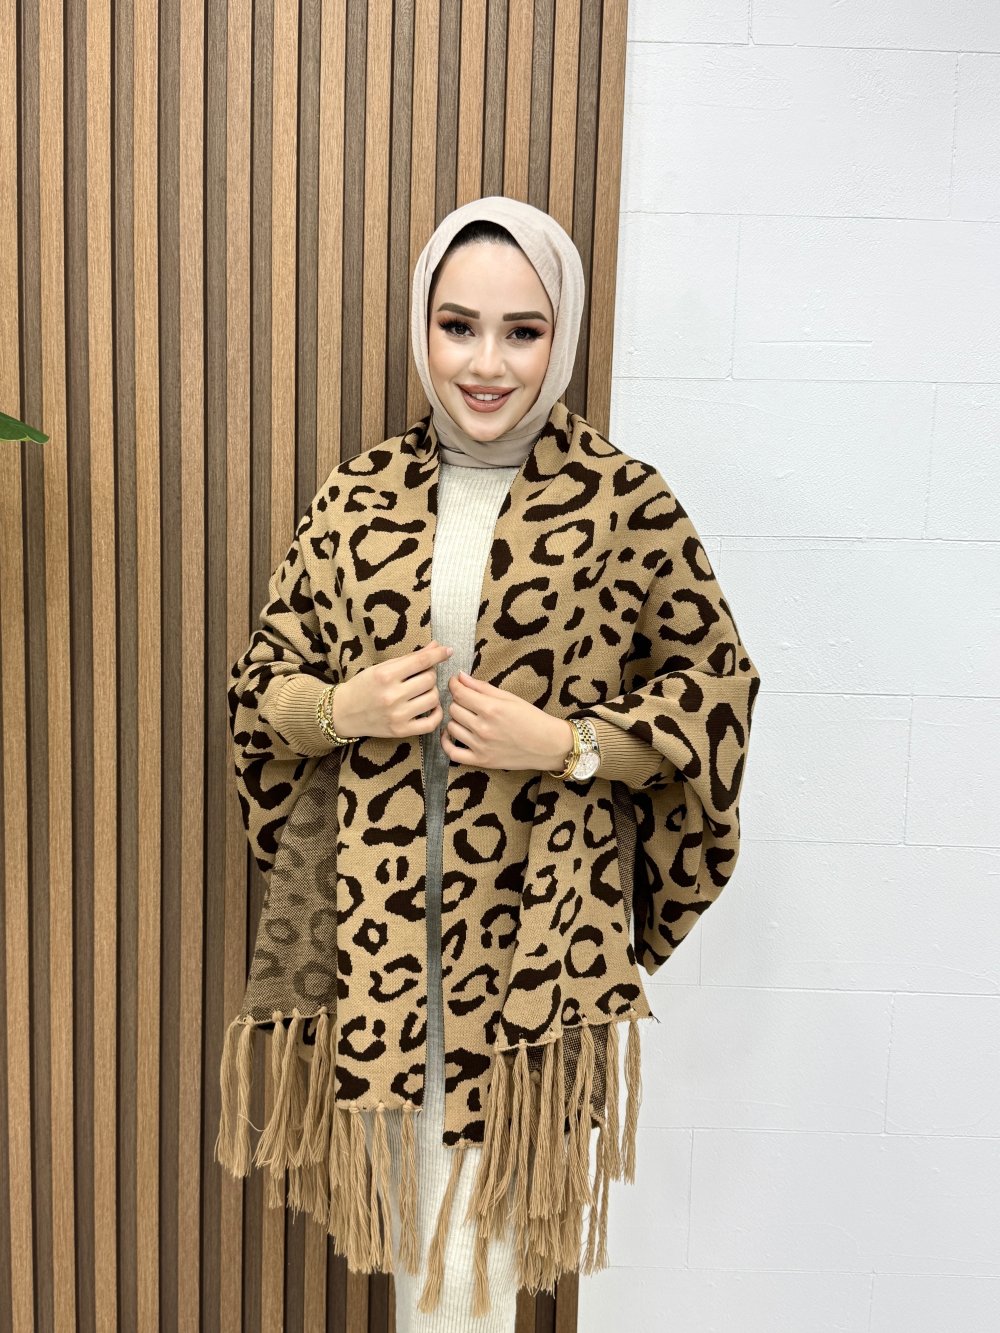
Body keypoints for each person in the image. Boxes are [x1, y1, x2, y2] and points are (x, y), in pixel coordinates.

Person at [215, 196, 761, 1328]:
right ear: (423, 327)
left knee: (474, 1270)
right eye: (458, 325)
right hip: (377, 948)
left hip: (531, 947)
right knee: (427, 1266)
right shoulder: (358, 496)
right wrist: (343, 707)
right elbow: (260, 688)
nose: (486, 363)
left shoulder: (624, 503)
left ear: (563, 336)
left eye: (523, 330)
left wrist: (564, 744)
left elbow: (716, 693)